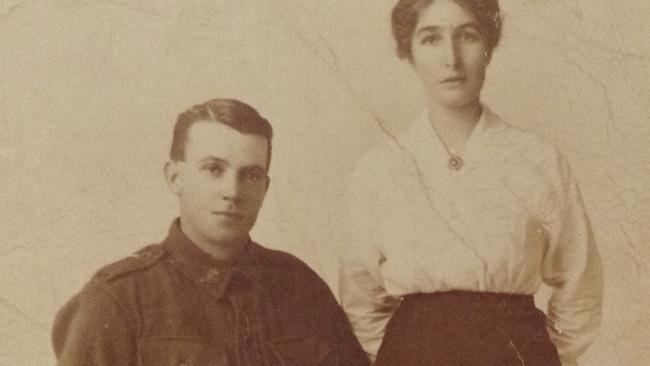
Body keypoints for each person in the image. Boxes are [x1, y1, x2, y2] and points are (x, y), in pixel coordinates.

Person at [339, 1, 603, 365]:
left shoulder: (538, 160)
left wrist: (545, 356)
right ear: (409, 52)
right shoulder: (380, 168)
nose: (452, 58)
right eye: (430, 39)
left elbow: (579, 283)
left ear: (489, 46)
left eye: (467, 36)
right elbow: (360, 297)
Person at [52, 98, 369, 366]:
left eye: (251, 175)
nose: (232, 191)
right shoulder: (116, 300)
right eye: (214, 170)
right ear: (175, 177)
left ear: (266, 188)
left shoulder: (301, 287)